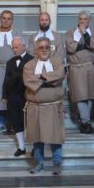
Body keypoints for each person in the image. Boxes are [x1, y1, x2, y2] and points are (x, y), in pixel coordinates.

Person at [23, 37, 66, 175]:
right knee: (37, 138)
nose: (44, 50)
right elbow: (28, 81)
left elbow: (60, 74)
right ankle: (39, 163)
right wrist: (49, 79)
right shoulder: (29, 65)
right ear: (36, 50)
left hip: (53, 106)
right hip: (35, 107)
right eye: (41, 47)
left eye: (47, 47)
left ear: (50, 48)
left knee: (55, 137)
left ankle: (57, 163)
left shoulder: (57, 62)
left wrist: (39, 78)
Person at [66, 10, 94, 134]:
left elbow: (93, 45)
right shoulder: (70, 32)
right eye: (80, 19)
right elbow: (71, 48)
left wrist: (84, 34)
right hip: (77, 67)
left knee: (91, 95)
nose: (82, 21)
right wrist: (86, 45)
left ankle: (84, 121)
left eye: (85, 19)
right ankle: (86, 122)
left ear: (89, 20)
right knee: (80, 96)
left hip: (91, 67)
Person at [2, 36, 34, 156]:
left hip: (28, 95)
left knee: (31, 121)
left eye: (16, 47)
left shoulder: (32, 60)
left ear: (24, 46)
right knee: (16, 121)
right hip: (13, 96)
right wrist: (4, 95)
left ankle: (35, 147)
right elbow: (6, 80)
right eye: (13, 47)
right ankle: (21, 147)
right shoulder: (10, 62)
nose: (14, 50)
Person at [0, 10, 19, 133]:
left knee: (13, 95)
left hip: (14, 69)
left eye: (9, 18)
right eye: (4, 18)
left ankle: (13, 123)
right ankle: (1, 123)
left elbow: (21, 51)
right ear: (0, 19)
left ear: (12, 20)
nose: (6, 20)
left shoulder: (17, 34)